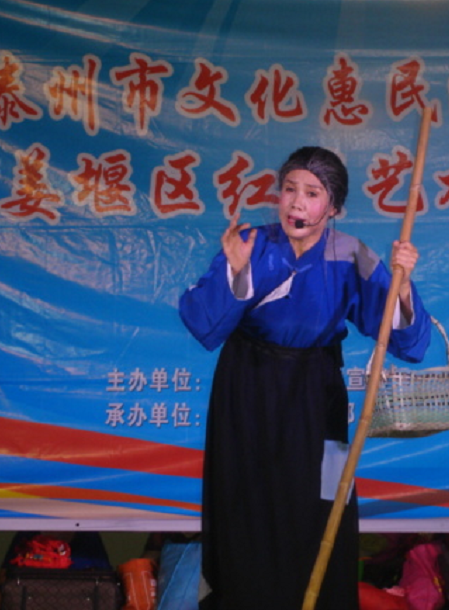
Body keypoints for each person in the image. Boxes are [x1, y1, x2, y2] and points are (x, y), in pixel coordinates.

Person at [179, 146, 432, 610]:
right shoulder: (252, 243)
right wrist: (234, 270)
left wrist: (402, 284)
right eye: (290, 189)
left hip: (319, 397)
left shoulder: (350, 254)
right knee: (245, 504)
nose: (297, 202)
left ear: (333, 207)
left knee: (324, 501)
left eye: (312, 193)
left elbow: (406, 341)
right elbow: (203, 324)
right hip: (247, 391)